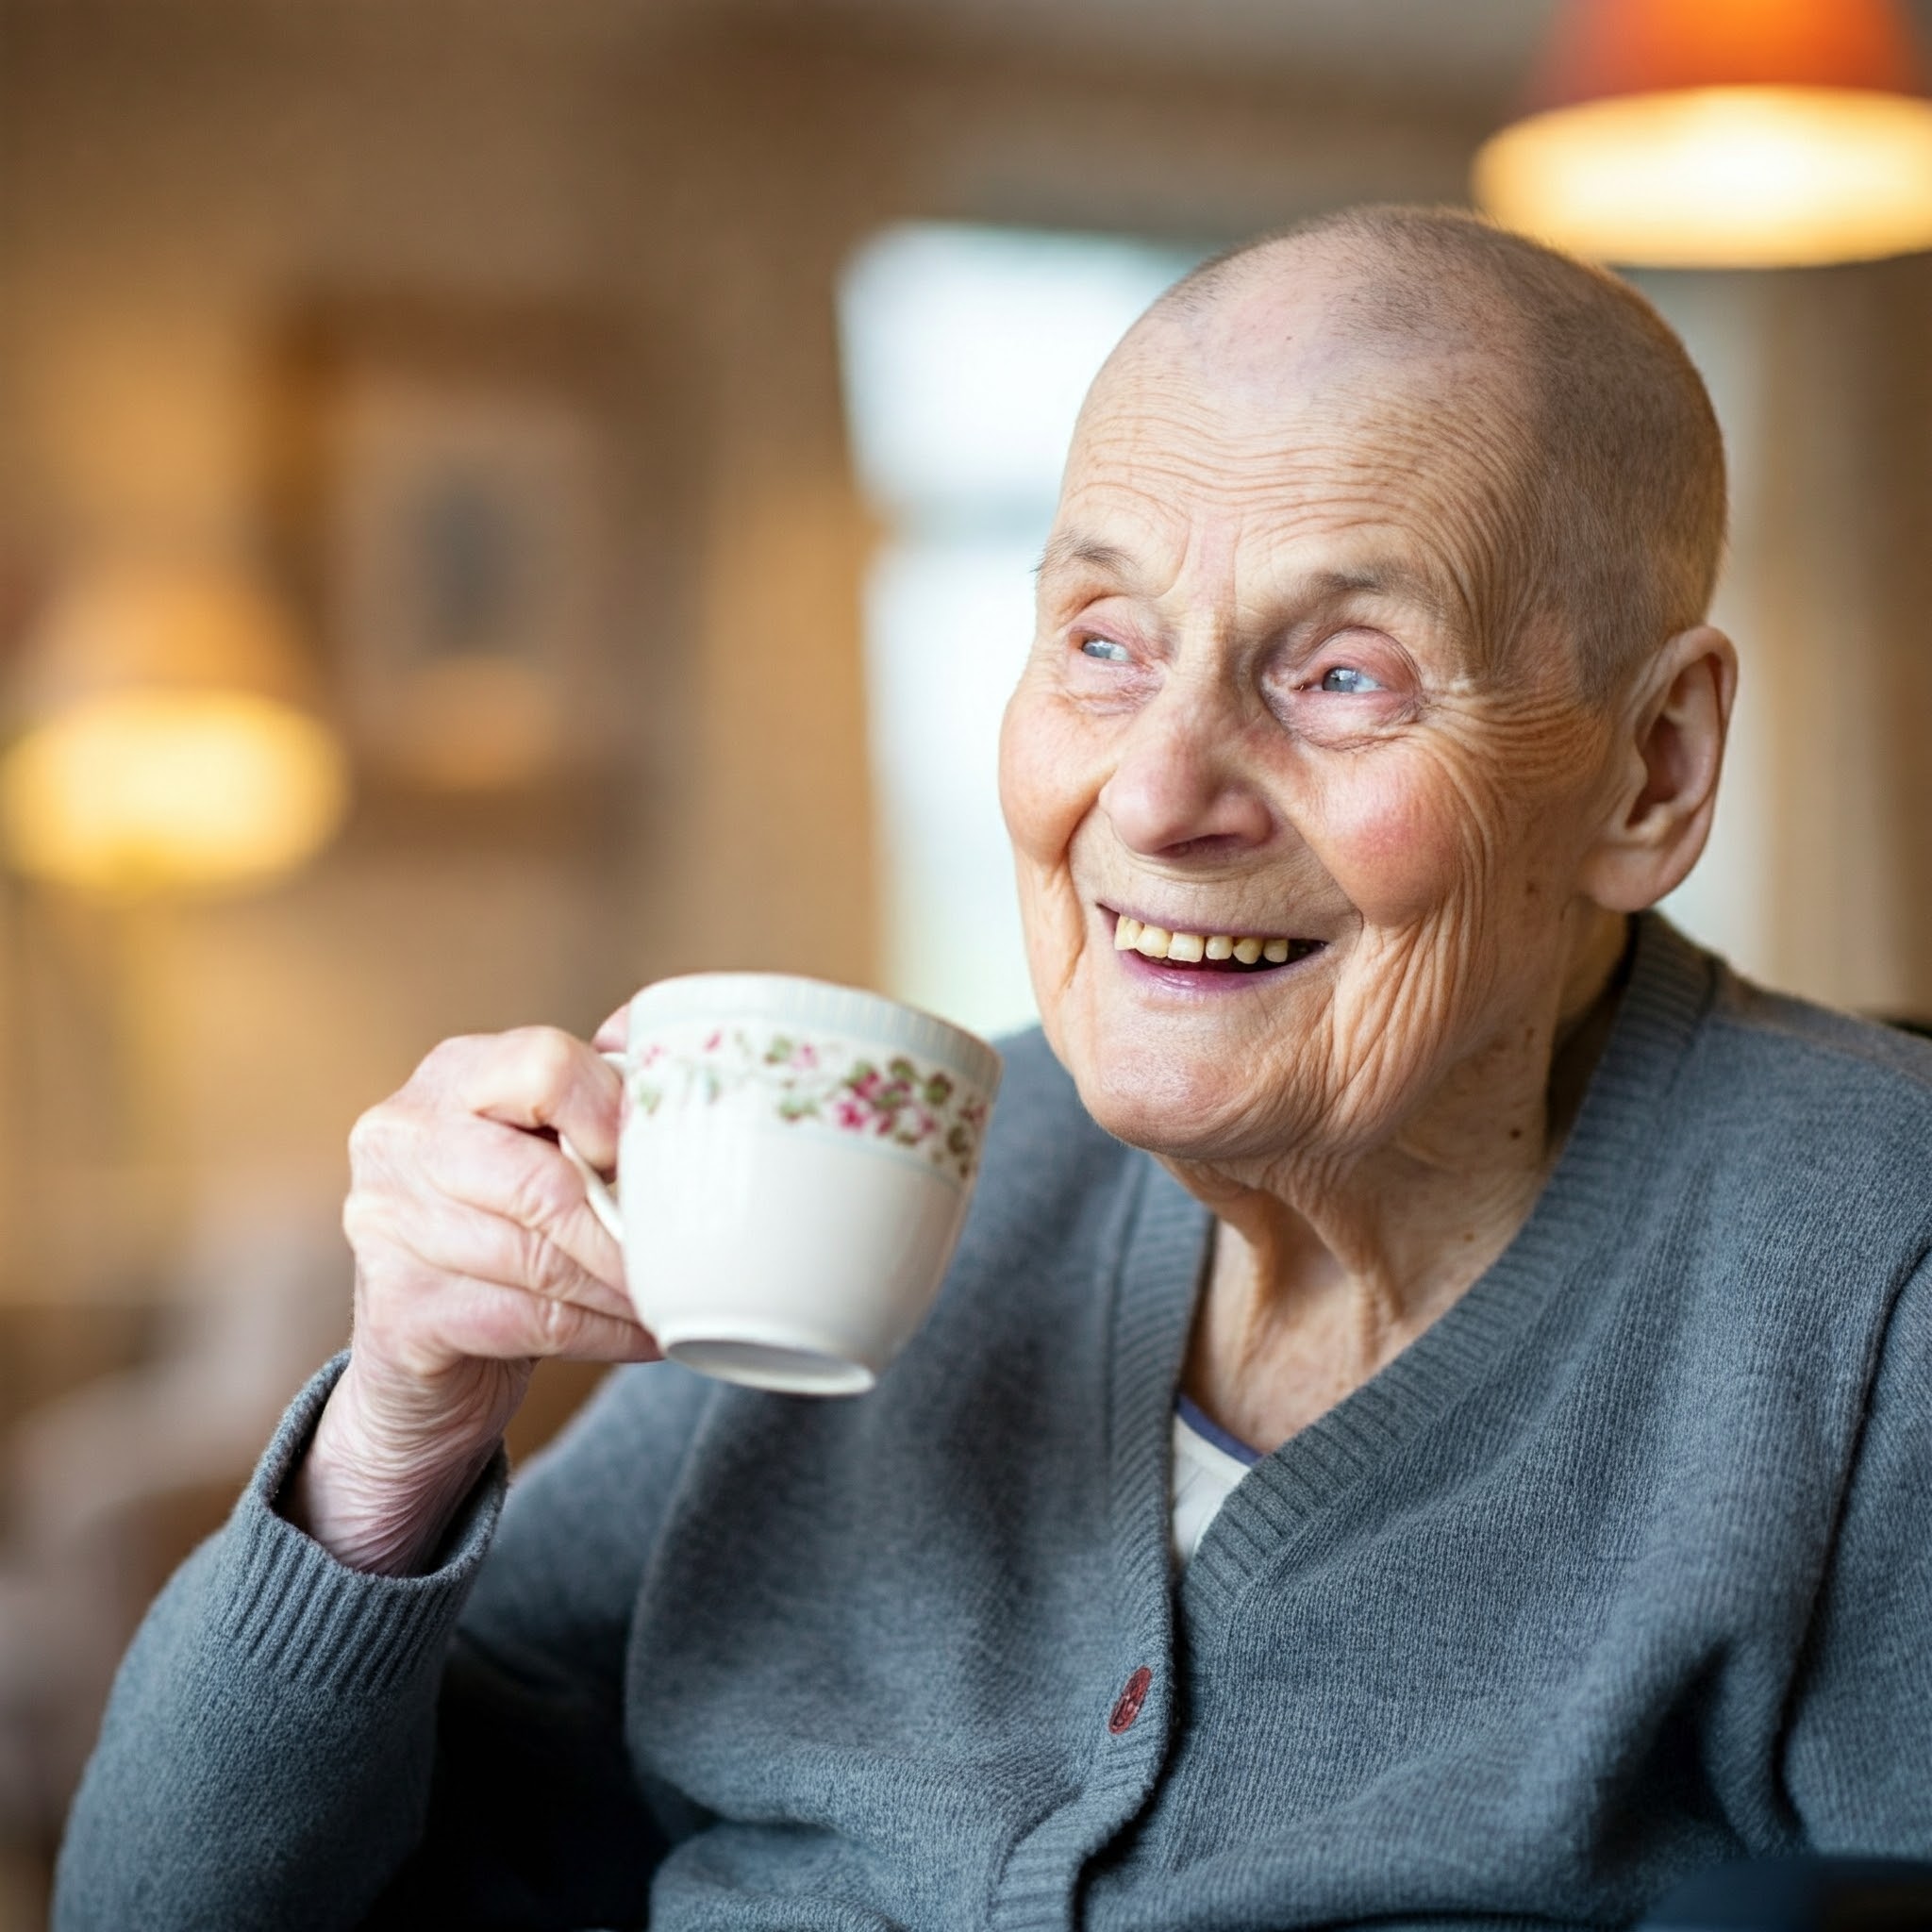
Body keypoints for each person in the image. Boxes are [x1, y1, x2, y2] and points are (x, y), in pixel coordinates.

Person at [54, 207, 1932, 1931]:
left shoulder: (1871, 1290)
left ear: (1654, 768)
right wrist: (393, 1434)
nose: (1158, 790)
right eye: (1102, 643)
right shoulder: (898, 1178)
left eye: (1342, 671)